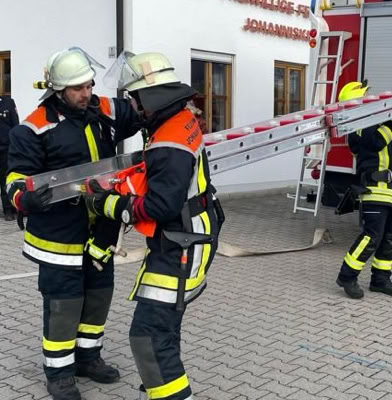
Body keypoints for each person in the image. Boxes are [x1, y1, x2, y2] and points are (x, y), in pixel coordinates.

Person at [5, 47, 142, 400]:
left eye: (89, 85)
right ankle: (59, 373)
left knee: (98, 297)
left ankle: (88, 358)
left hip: (101, 231)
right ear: (58, 90)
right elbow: (15, 178)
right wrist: (23, 199)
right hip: (58, 237)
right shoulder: (33, 128)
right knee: (63, 306)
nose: (86, 93)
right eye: (78, 88)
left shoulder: (102, 109)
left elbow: (139, 112)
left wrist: (162, 101)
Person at [85, 51, 223, 400]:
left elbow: (161, 205)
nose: (134, 107)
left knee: (148, 336)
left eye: (135, 98)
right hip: (185, 236)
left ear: (151, 95)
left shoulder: (169, 142)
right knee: (164, 330)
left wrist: (109, 204)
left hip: (181, 244)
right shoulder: (177, 120)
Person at [335, 81, 392, 300]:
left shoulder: (382, 122)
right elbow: (376, 141)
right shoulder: (357, 125)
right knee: (371, 237)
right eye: (366, 96)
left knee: (391, 238)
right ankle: (347, 276)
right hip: (375, 190)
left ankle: (380, 280)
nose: (371, 99)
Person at [0, 94, 20, 221]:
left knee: (6, 178)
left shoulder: (7, 102)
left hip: (6, 148)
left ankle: (10, 208)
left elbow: (15, 125)